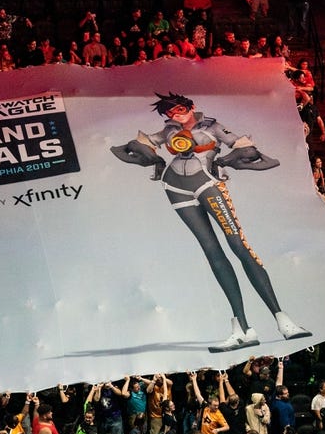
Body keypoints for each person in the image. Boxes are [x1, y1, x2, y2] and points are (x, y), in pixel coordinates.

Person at [110, 92, 311, 352]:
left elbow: (250, 151)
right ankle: (242, 328)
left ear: (191, 107)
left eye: (179, 109)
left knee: (239, 247)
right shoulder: (169, 130)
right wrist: (151, 156)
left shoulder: (212, 126)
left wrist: (226, 160)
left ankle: (282, 319)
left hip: (208, 185)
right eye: (169, 113)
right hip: (176, 187)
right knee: (212, 251)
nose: (175, 115)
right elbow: (129, 148)